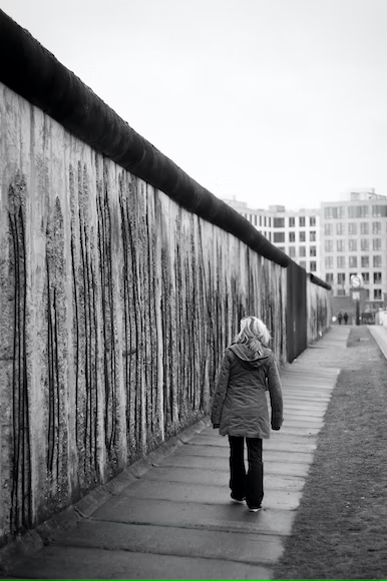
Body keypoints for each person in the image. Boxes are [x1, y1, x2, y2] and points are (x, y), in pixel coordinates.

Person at [211, 316, 283, 512]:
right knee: (255, 456)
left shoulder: (231, 354)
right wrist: (276, 419)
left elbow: (221, 388)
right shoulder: (267, 356)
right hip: (256, 413)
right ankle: (255, 501)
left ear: (242, 332)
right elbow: (276, 390)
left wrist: (215, 416)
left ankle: (238, 491)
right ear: (261, 333)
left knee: (235, 453)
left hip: (233, 410)